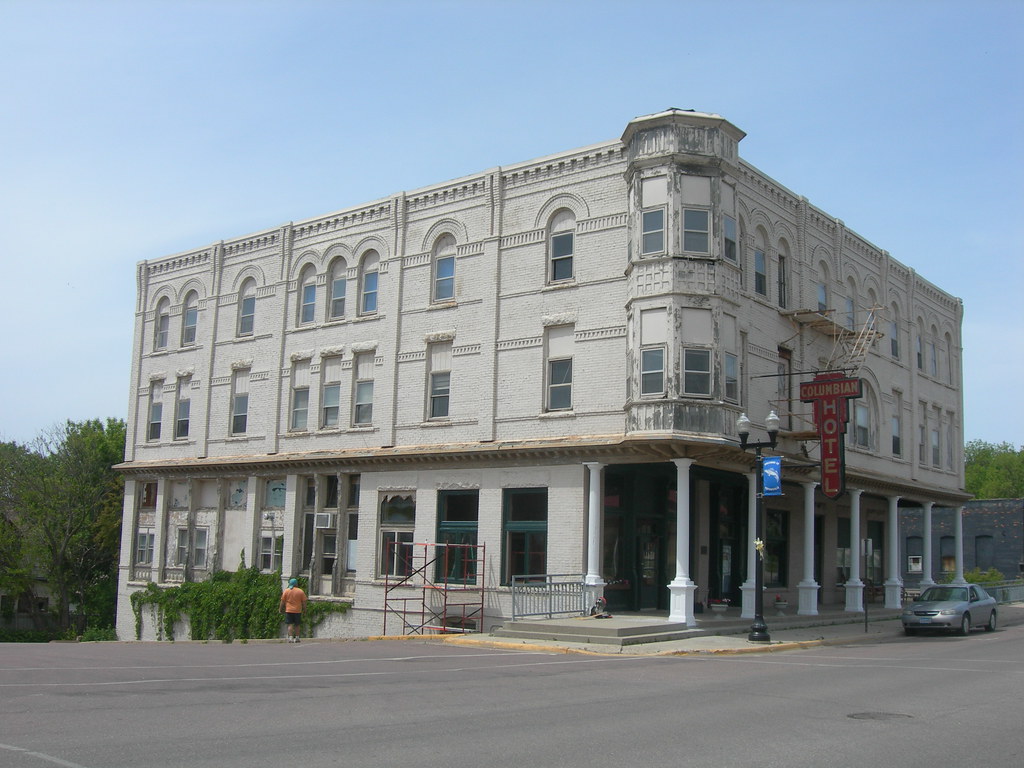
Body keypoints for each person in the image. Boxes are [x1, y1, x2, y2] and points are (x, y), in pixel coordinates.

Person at [279, 578, 308, 643]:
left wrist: (280, 609)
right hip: (297, 610)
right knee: (297, 624)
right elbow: (304, 602)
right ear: (296, 584)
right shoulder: (300, 591)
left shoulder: (286, 591)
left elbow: (282, 602)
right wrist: (305, 610)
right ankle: (297, 638)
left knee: (290, 624)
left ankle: (291, 638)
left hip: (289, 610)